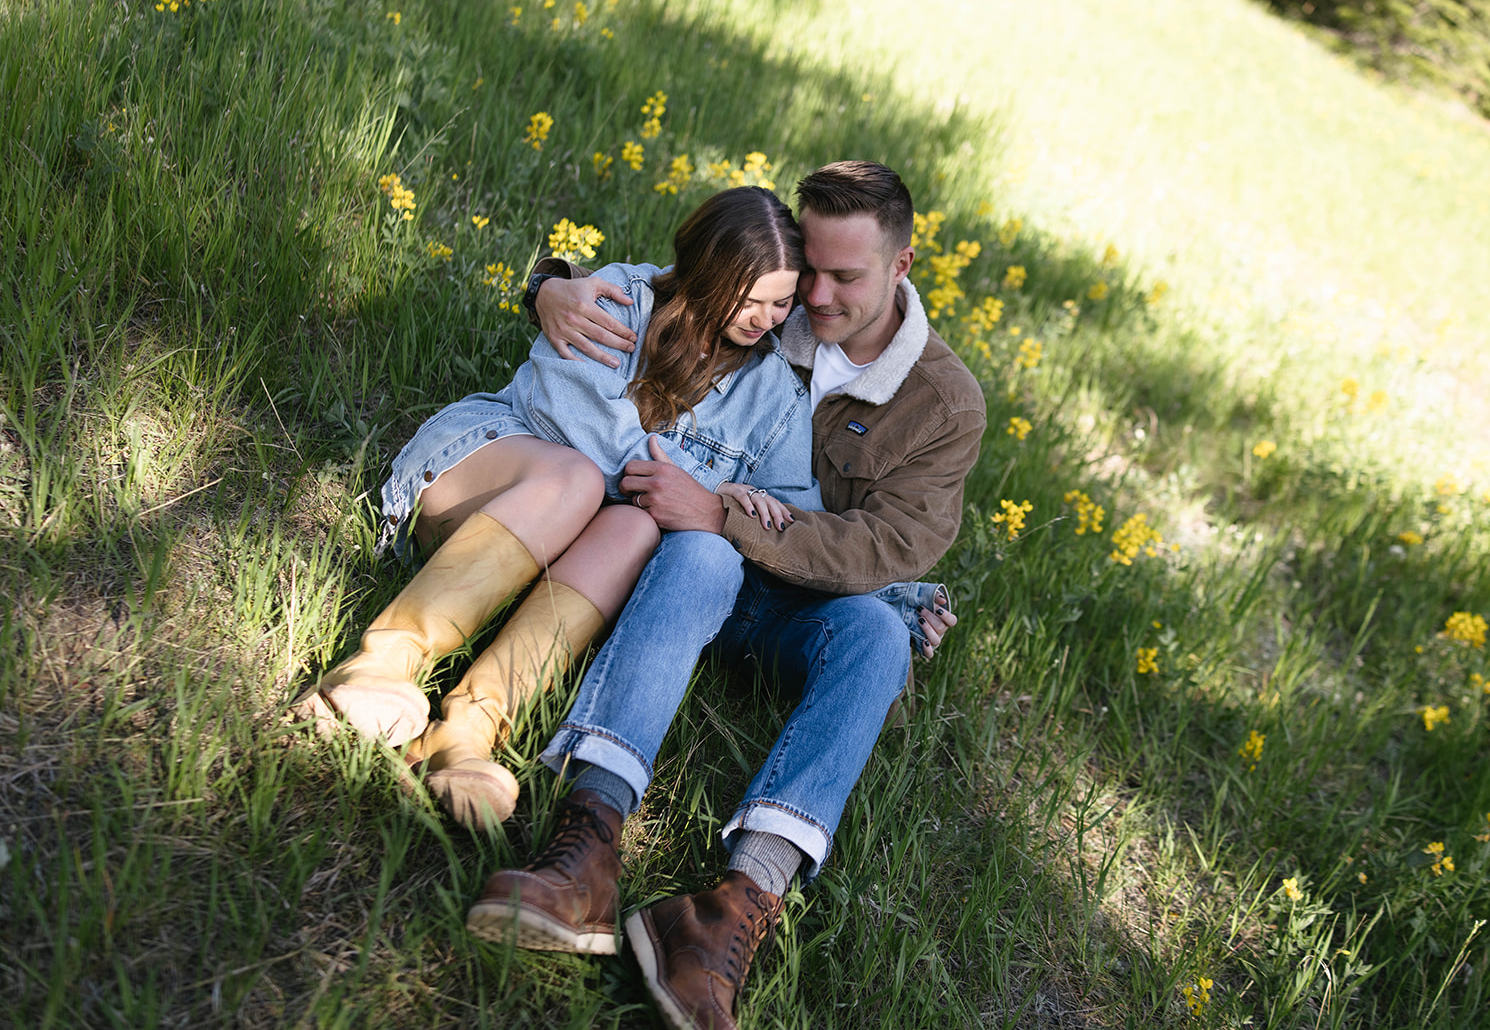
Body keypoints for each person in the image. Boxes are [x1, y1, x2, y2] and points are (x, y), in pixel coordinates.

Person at [464, 161, 985, 1030]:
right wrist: (549, 284)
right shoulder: (773, 303)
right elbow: (659, 288)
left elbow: (886, 544)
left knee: (876, 639)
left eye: (844, 277)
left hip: (798, 603)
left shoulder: (944, 403)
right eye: (808, 270)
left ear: (901, 266)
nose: (815, 297)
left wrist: (727, 515)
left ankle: (729, 913)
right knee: (705, 555)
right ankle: (587, 845)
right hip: (688, 564)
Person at [288, 187, 825, 829]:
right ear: (708, 270)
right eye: (750, 298)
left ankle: (468, 728)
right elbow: (574, 423)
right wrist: (703, 490)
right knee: (578, 476)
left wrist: (738, 513)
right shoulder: (620, 299)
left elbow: (793, 518)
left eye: (781, 302)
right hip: (484, 479)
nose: (765, 318)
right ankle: (380, 664)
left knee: (634, 527)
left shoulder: (775, 398)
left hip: (564, 555)